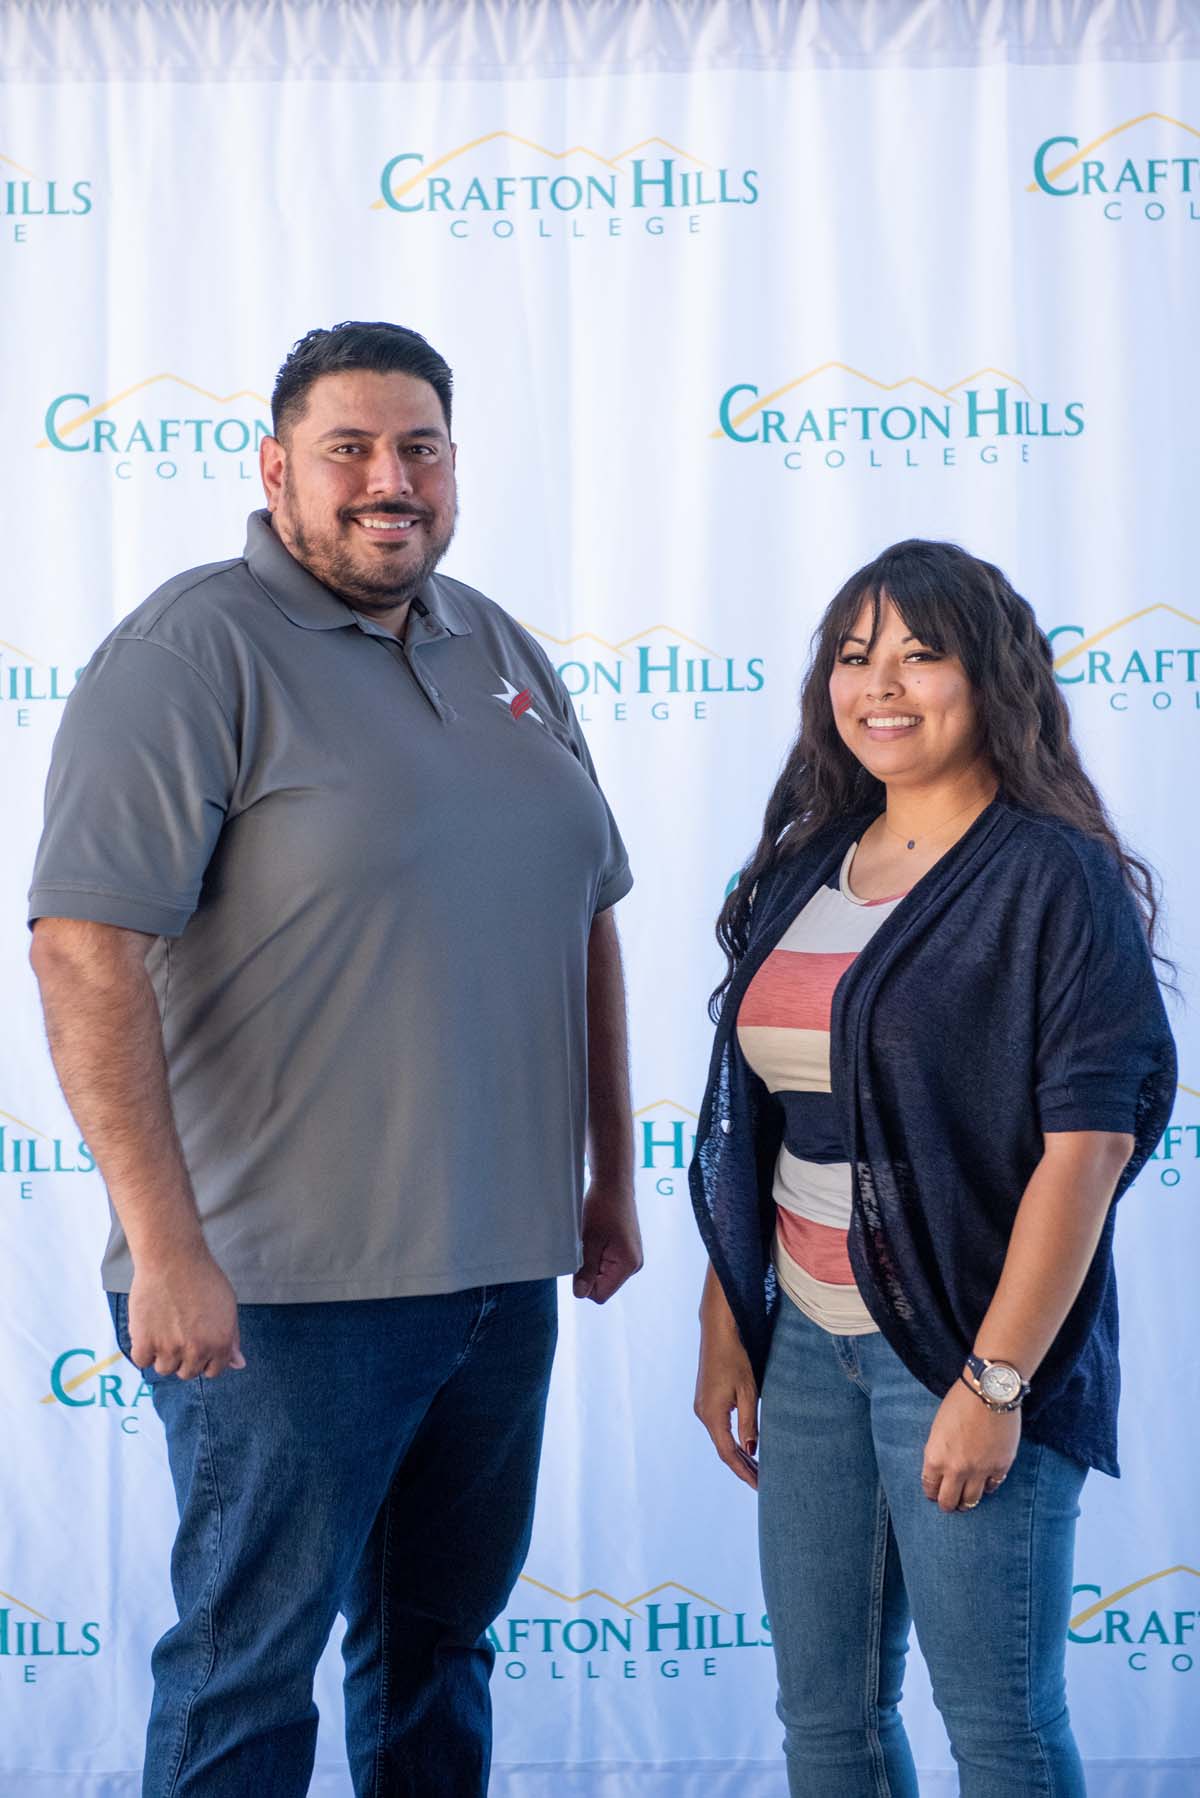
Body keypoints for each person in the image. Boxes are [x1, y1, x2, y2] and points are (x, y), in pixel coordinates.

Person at [28, 320, 642, 1797]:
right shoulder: (190, 651)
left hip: (499, 1276)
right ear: (276, 470)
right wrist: (165, 1247)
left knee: (439, 1651)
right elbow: (81, 949)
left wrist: (611, 1183)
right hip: (281, 1296)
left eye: (419, 447)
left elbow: (589, 916)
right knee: (248, 1669)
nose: (390, 480)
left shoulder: (499, 645)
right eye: (349, 450)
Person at [689, 539, 1176, 1798]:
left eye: (920, 651)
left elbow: (1090, 1149)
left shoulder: (1050, 875)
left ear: (992, 677)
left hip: (964, 1347)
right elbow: (760, 1120)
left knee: (998, 1723)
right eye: (856, 656)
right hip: (800, 1342)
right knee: (826, 1719)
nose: (881, 683)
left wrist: (994, 1382)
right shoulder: (807, 866)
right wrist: (727, 1317)